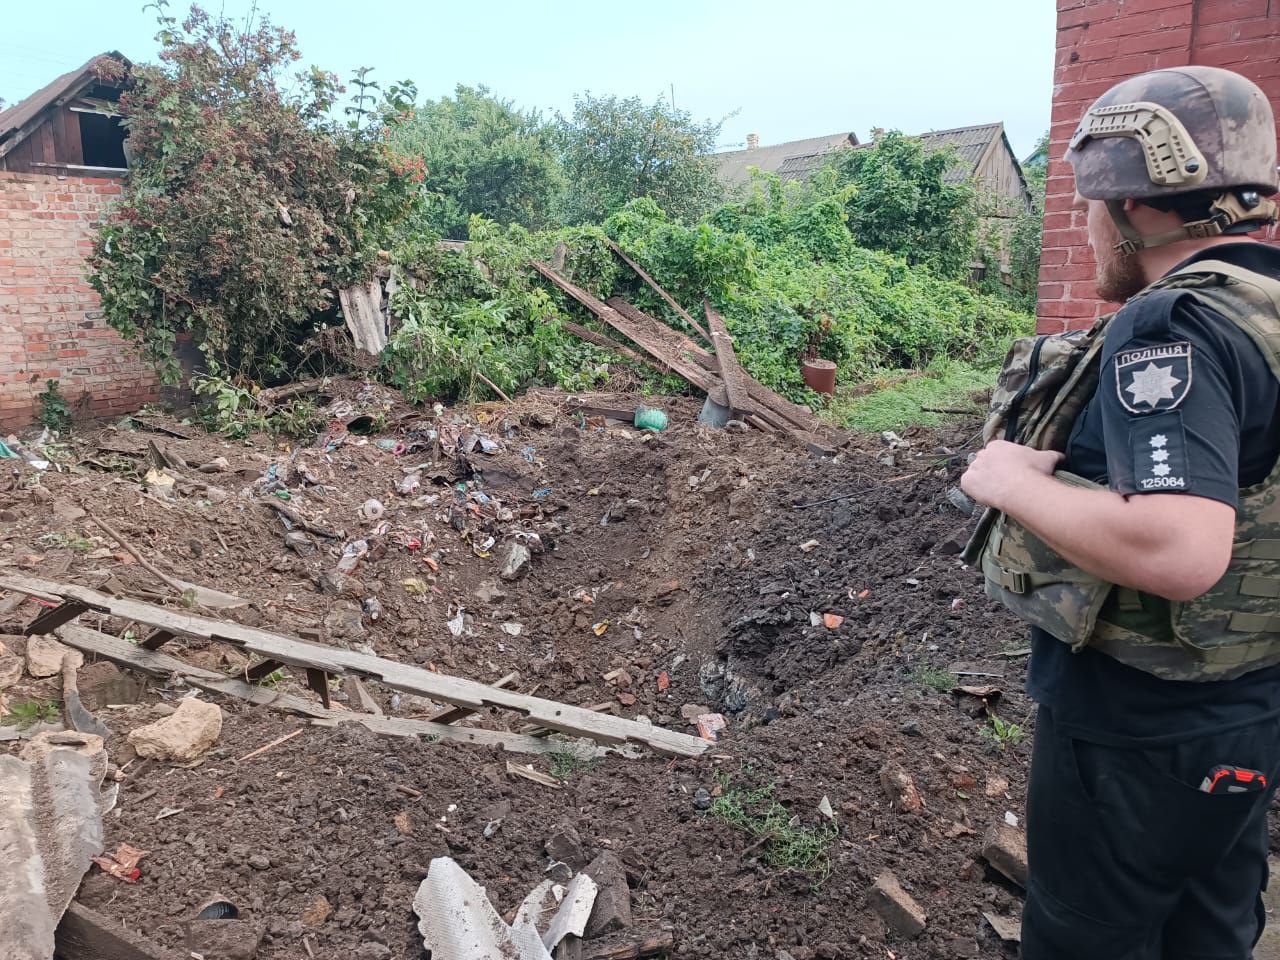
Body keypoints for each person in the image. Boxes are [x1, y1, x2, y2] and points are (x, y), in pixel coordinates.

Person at [961, 66, 1280, 959]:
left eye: (1090, 204)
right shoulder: (1266, 311)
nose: (1086, 225)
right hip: (1247, 699)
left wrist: (1009, 479)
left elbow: (1180, 547)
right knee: (1211, 928)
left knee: (1088, 936)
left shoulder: (1172, 325)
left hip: (1140, 726)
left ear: (1135, 204)